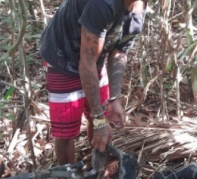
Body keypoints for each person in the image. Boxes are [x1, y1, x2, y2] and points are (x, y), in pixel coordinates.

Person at [40, 0, 147, 165]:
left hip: (94, 57)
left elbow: (119, 52)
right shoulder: (102, 4)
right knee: (66, 131)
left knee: (101, 116)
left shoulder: (139, 8)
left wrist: (114, 98)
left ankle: (98, 172)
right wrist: (99, 120)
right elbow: (87, 61)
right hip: (62, 56)